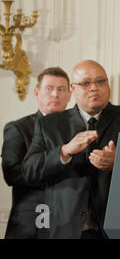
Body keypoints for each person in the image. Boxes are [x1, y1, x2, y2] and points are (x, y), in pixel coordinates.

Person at [21, 60, 120, 239]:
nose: (94, 88)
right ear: (72, 89)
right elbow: (29, 170)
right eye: (85, 83)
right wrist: (65, 151)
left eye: (101, 82)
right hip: (66, 229)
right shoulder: (49, 124)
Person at [1, 67, 71, 239]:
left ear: (69, 95)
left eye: (61, 89)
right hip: (30, 222)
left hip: (71, 223)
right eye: (49, 88)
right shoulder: (18, 128)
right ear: (36, 92)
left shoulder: (78, 130)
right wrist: (56, 165)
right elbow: (11, 173)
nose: (55, 94)